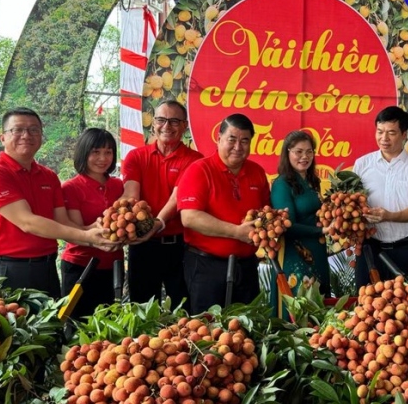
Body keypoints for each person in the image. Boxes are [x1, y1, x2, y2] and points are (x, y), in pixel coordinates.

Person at [0, 108, 118, 296]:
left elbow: (63, 223)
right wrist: (89, 237)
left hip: (46, 267)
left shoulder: (48, 176)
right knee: (6, 324)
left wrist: (95, 232)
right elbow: (27, 222)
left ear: (41, 136)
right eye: (17, 130)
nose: (26, 135)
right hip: (7, 269)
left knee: (50, 325)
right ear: (2, 137)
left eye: (34, 130)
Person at [178, 114, 269, 313]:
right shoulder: (199, 170)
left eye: (245, 141)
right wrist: (236, 232)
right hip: (206, 267)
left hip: (246, 268)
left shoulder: (257, 172)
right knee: (207, 333)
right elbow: (189, 217)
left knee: (245, 334)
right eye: (232, 139)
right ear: (219, 139)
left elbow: (265, 213)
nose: (238, 146)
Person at [121, 100, 203, 308]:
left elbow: (178, 197)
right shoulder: (136, 157)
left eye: (174, 121)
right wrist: (118, 217)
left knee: (183, 308)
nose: (167, 126)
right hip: (142, 244)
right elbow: (131, 194)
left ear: (184, 126)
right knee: (142, 307)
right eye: (161, 120)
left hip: (180, 247)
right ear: (153, 123)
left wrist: (157, 222)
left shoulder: (195, 160)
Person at [353, 106, 408, 285]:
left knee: (404, 307)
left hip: (403, 250)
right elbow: (352, 202)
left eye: (391, 133)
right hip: (369, 249)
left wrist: (389, 216)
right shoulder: (362, 164)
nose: (384, 138)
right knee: (365, 305)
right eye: (380, 132)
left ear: (404, 134)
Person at [60, 128, 125, 318]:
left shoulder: (118, 185)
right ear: (84, 153)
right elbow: (75, 229)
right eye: (95, 152)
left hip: (113, 265)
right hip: (81, 265)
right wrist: (98, 228)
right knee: (77, 325)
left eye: (108, 152)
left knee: (110, 324)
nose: (102, 158)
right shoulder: (71, 187)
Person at [269, 131, 331, 317]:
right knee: (297, 312)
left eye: (309, 152)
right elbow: (287, 225)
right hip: (295, 255)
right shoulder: (282, 184)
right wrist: (321, 230)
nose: (304, 157)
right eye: (298, 152)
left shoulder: (313, 181)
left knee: (318, 311)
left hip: (318, 252)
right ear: (287, 153)